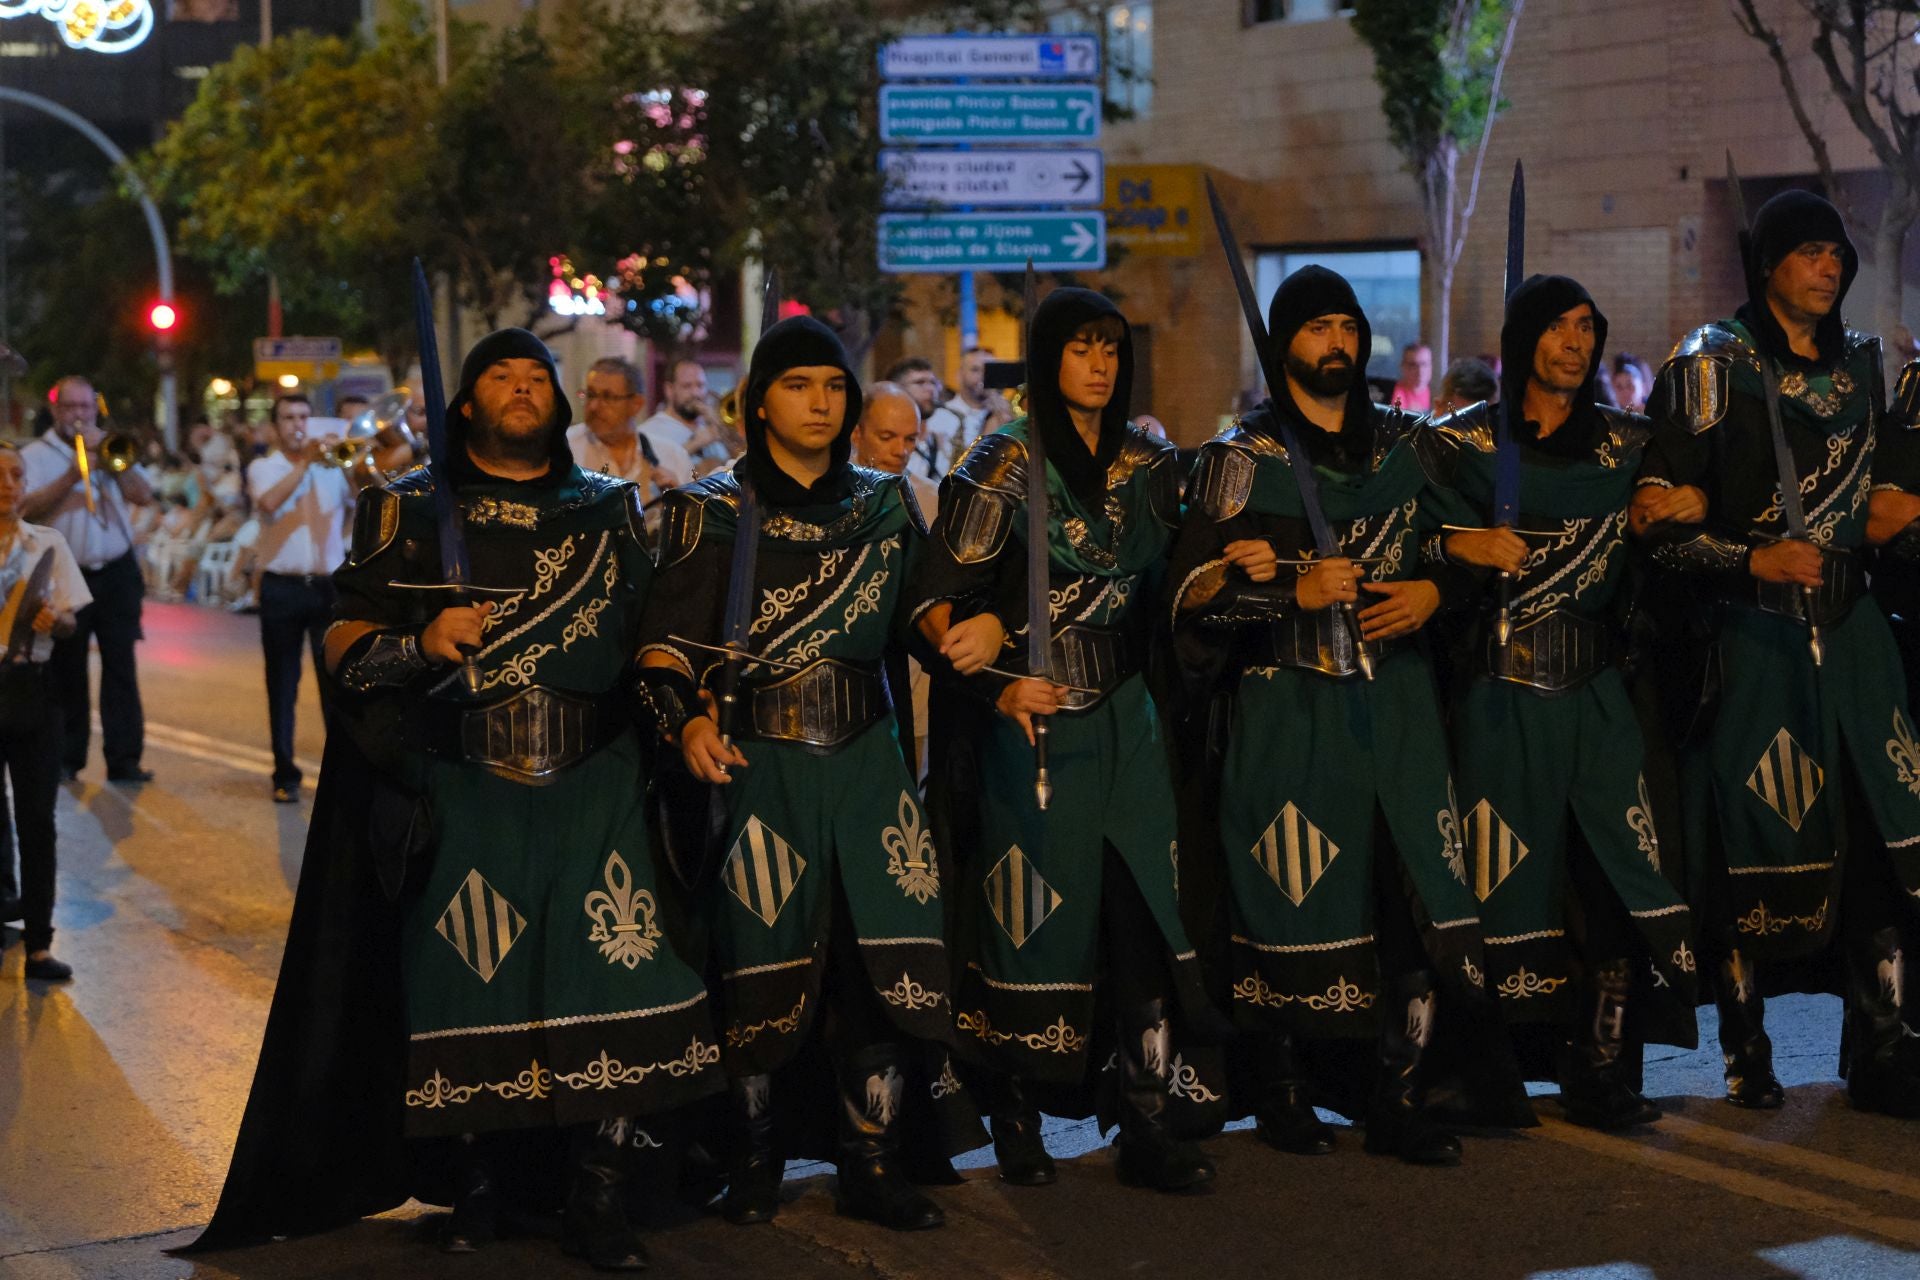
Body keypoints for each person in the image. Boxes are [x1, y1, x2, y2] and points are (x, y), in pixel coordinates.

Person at [194, 328, 721, 1269]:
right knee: (472, 984)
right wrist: (419, 643)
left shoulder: (605, 509)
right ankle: (479, 1189)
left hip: (594, 782)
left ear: (559, 407)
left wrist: (681, 720)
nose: (522, 391)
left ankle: (599, 1196)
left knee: (611, 976)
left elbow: (650, 640)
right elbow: (345, 640)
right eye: (500, 378)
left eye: (537, 379)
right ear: (466, 402)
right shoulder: (401, 510)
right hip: (467, 780)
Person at [1169, 266, 1520, 1166]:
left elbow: (1454, 548)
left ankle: (1397, 1096)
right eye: (1318, 326)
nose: (1339, 342)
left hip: (1396, 700)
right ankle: (1283, 1092)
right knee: (1287, 890)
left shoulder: (1410, 448)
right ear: (1284, 343)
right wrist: (1290, 589)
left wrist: (1435, 592)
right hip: (1286, 706)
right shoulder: (1236, 465)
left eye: (1348, 326)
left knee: (1411, 893)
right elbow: (1185, 604)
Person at [638, 316, 958, 1233]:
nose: (820, 402)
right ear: (759, 404)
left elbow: (924, 619)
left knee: (873, 970)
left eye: (833, 386)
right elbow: (661, 654)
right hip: (759, 768)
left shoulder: (886, 506)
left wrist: (965, 642)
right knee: (757, 967)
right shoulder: (710, 510)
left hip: (867, 767)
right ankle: (753, 1162)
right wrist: (688, 720)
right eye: (798, 385)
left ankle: (872, 1161)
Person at [912, 287, 1219, 1193]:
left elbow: (1182, 573)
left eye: (1112, 349)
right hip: (1030, 722)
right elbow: (938, 605)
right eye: (1082, 348)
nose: (1099, 364)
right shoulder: (1000, 464)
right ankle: (1012, 1113)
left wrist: (1225, 575)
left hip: (1126, 714)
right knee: (1028, 920)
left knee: (1140, 917)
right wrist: (996, 675)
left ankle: (1149, 1119)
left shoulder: (1148, 463)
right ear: (1047, 361)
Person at [1637, 189, 1920, 1119]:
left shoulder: (1864, 370)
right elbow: (1659, 529)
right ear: (1768, 266)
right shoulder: (1708, 365)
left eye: (1837, 253)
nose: (1830, 266)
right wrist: (1750, 554)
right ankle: (1745, 1043)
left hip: (1854, 637)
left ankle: (1882, 1044)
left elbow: (1878, 505)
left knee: (1885, 831)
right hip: (1752, 637)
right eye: (1809, 252)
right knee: (1751, 841)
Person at [1433, 275, 1698, 1130]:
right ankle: (1489, 1071)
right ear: (1522, 343)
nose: (1577, 344)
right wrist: (1457, 544)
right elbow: (1404, 536)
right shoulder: (1461, 445)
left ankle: (1602, 1067)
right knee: (1496, 882)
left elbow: (1677, 523)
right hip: (1494, 696)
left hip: (1596, 697)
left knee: (1609, 883)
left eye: (1588, 327)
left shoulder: (1630, 445)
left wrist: (1687, 505)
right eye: (1557, 328)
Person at [21, 376, 154, 783]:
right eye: (71, 408)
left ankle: (124, 758)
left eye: (86, 408)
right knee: (66, 669)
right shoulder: (35, 455)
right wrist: (71, 477)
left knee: (120, 667)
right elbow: (24, 509)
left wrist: (116, 463)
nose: (79, 415)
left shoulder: (110, 447)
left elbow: (143, 495)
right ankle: (67, 756)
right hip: (65, 573)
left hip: (116, 571)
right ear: (56, 411)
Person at [0, 443, 90, 981]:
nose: (9, 485)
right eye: (0, 476)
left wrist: (55, 623)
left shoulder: (47, 545)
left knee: (37, 821)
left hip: (33, 691)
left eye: (16, 475)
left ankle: (38, 944)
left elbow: (71, 625)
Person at [246, 394, 354, 802]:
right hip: (282, 586)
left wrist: (355, 463)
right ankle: (284, 772)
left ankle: (341, 773)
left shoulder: (332, 467)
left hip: (327, 584)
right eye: (288, 418)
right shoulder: (263, 468)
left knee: (336, 683)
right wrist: (307, 463)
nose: (297, 425)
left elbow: (363, 499)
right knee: (282, 682)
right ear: (275, 427)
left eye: (304, 418)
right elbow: (269, 504)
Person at [567, 357, 687, 507]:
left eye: (607, 397)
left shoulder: (672, 456)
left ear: (636, 404)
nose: (593, 406)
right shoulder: (565, 448)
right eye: (591, 395)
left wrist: (679, 501)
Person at [884, 357, 962, 478]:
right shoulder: (886, 443)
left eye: (933, 383)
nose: (931, 389)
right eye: (920, 383)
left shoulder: (939, 440)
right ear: (896, 389)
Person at [1393, 341, 1433, 412]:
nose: (1420, 370)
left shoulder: (1437, 395)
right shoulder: (1397, 394)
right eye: (1413, 365)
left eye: (1424, 364)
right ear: (1403, 367)